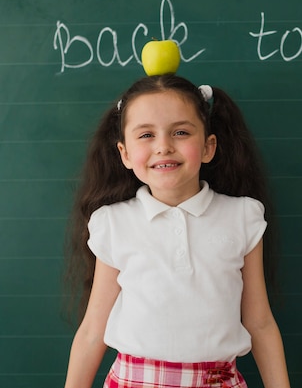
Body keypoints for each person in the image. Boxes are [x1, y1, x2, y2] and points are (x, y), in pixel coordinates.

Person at [64, 74, 290, 388]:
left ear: (209, 146)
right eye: (146, 135)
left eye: (181, 132)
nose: (164, 147)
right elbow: (92, 331)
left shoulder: (242, 216)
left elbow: (260, 322)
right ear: (125, 154)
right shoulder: (114, 223)